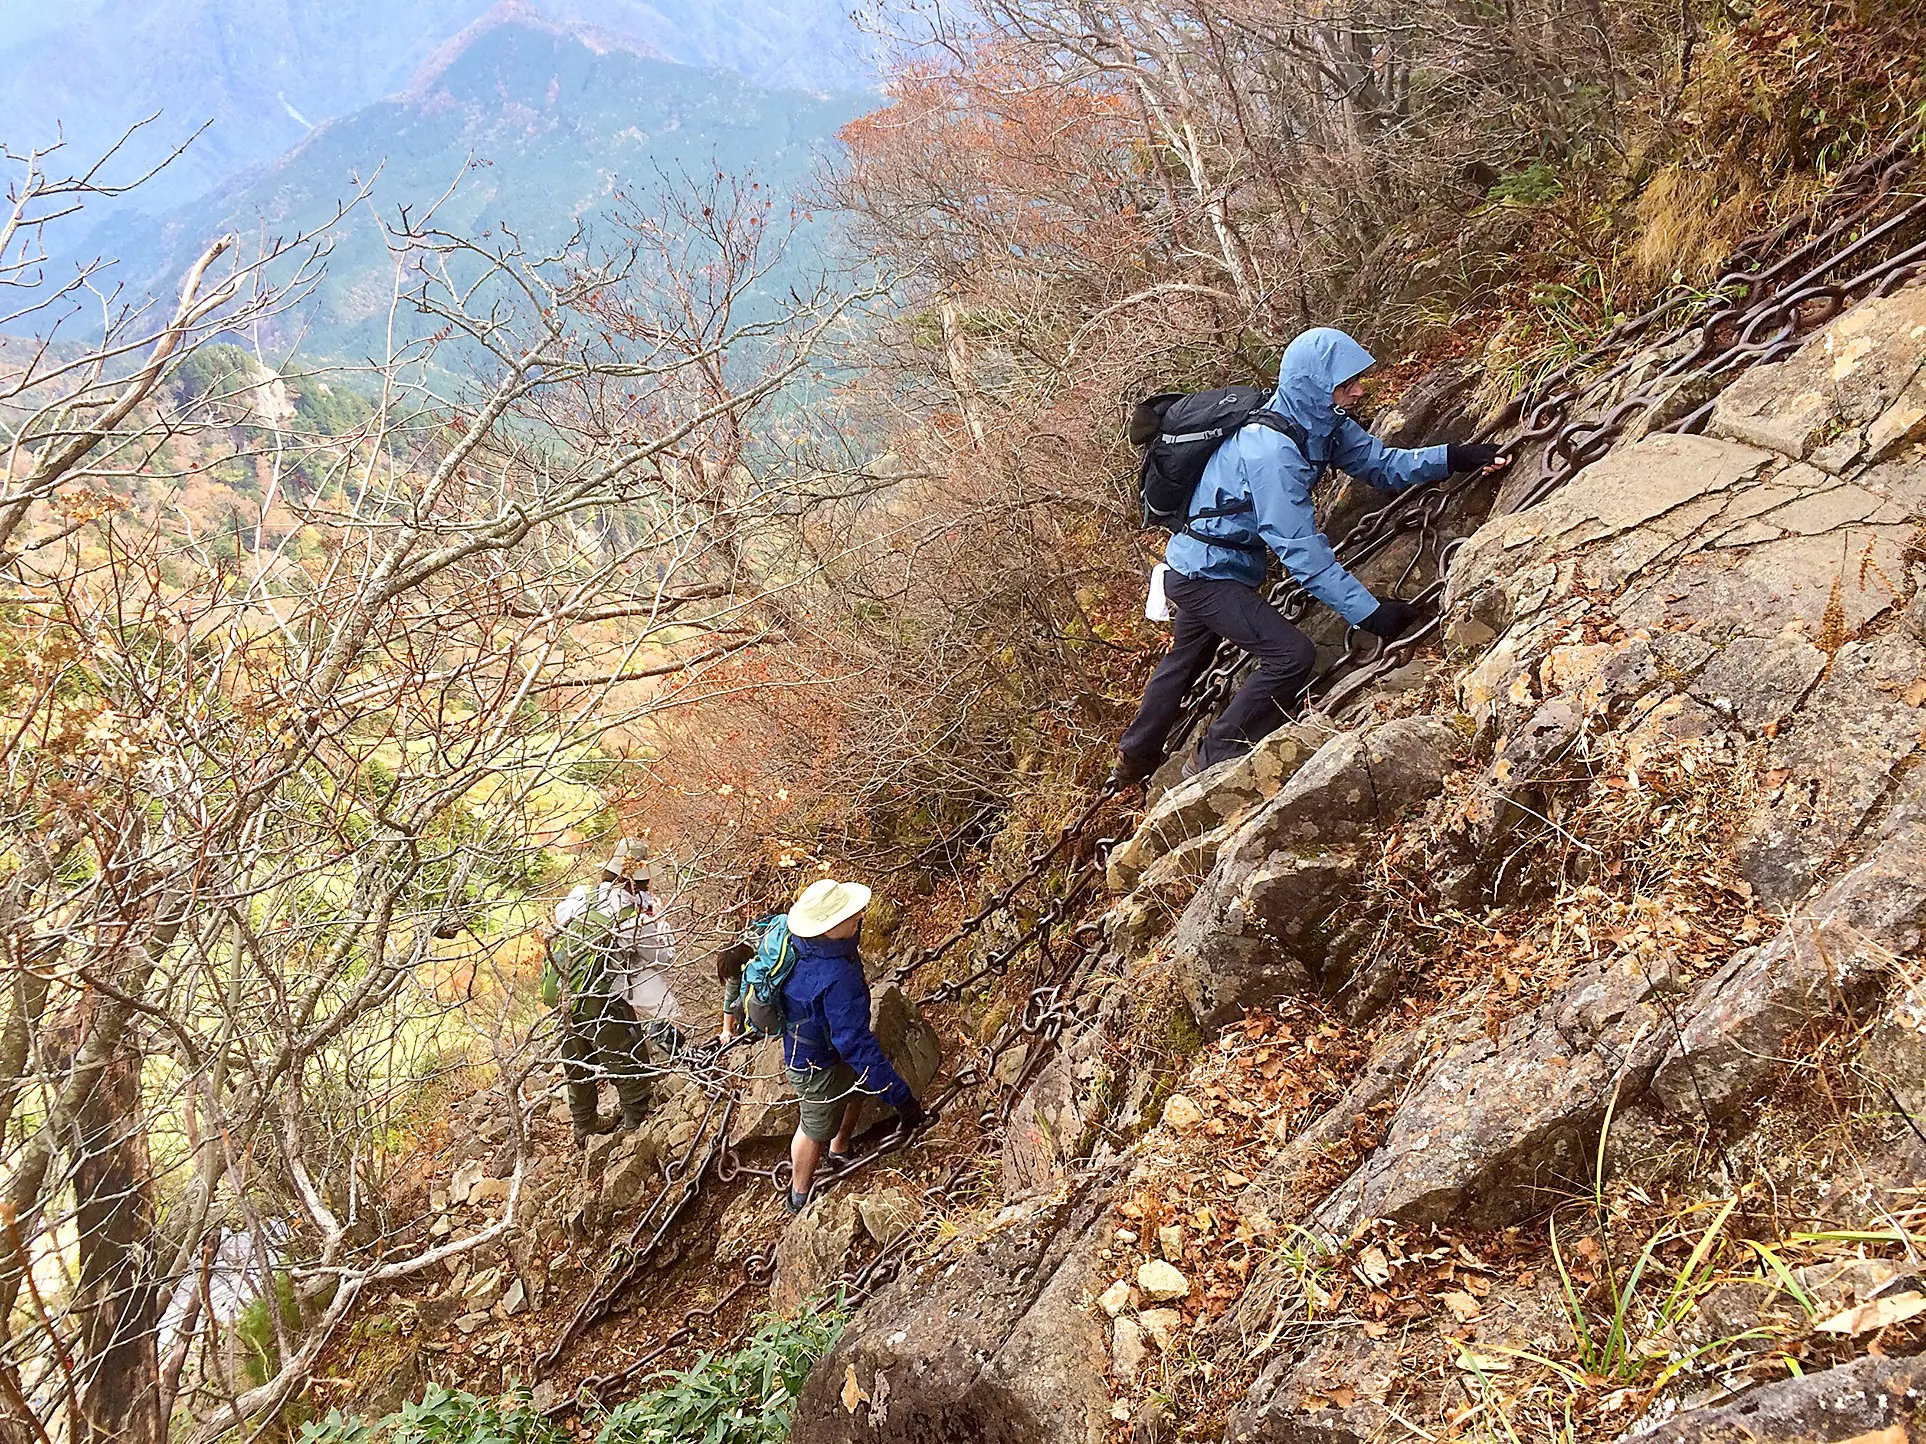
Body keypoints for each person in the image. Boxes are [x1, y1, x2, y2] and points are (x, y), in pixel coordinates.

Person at [1110, 328, 1506, 785]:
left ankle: (1135, 755)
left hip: (1208, 564)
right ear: (1313, 385)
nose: (1358, 390)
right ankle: (1212, 759)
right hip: (1205, 576)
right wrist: (1370, 614)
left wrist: (1456, 456)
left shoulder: (1322, 424)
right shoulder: (1271, 450)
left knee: (1186, 660)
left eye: (1355, 380)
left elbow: (1383, 465)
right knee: (1291, 655)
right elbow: (1298, 548)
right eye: (1345, 383)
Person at [777, 877, 925, 1212]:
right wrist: (903, 1100)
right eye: (851, 915)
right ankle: (799, 1194)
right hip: (814, 1062)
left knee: (855, 1089)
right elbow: (855, 1043)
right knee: (815, 1125)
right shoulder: (834, 976)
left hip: (822, 1046)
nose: (860, 916)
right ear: (830, 926)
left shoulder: (809, 946)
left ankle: (839, 1149)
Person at [547, 838, 684, 1145]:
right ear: (640, 881)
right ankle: (635, 1130)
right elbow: (664, 958)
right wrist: (658, 921)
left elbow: (560, 917)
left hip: (566, 993)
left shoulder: (582, 897)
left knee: (576, 1062)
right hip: (603, 997)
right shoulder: (630, 917)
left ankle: (584, 1126)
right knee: (627, 1059)